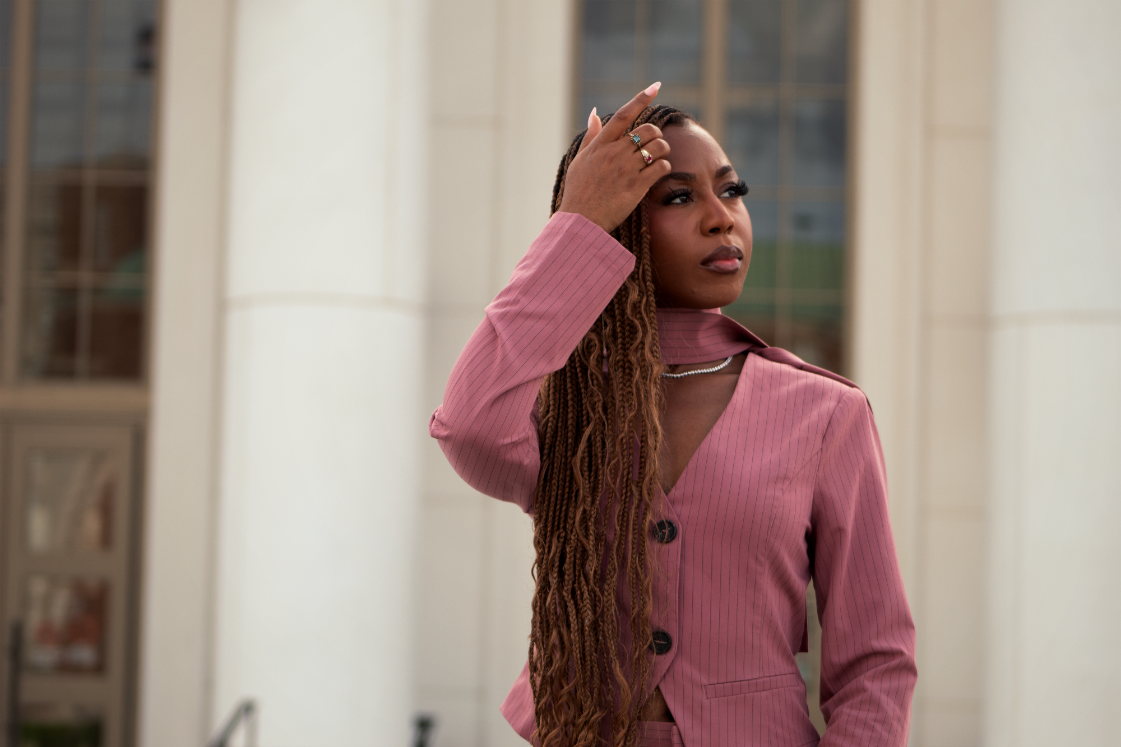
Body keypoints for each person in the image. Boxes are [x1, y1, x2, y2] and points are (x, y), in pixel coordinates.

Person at [430, 83, 917, 747]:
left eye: (732, 189)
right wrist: (575, 225)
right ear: (619, 218)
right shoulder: (564, 403)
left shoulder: (826, 412)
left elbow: (875, 659)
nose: (722, 218)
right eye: (680, 196)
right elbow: (468, 425)